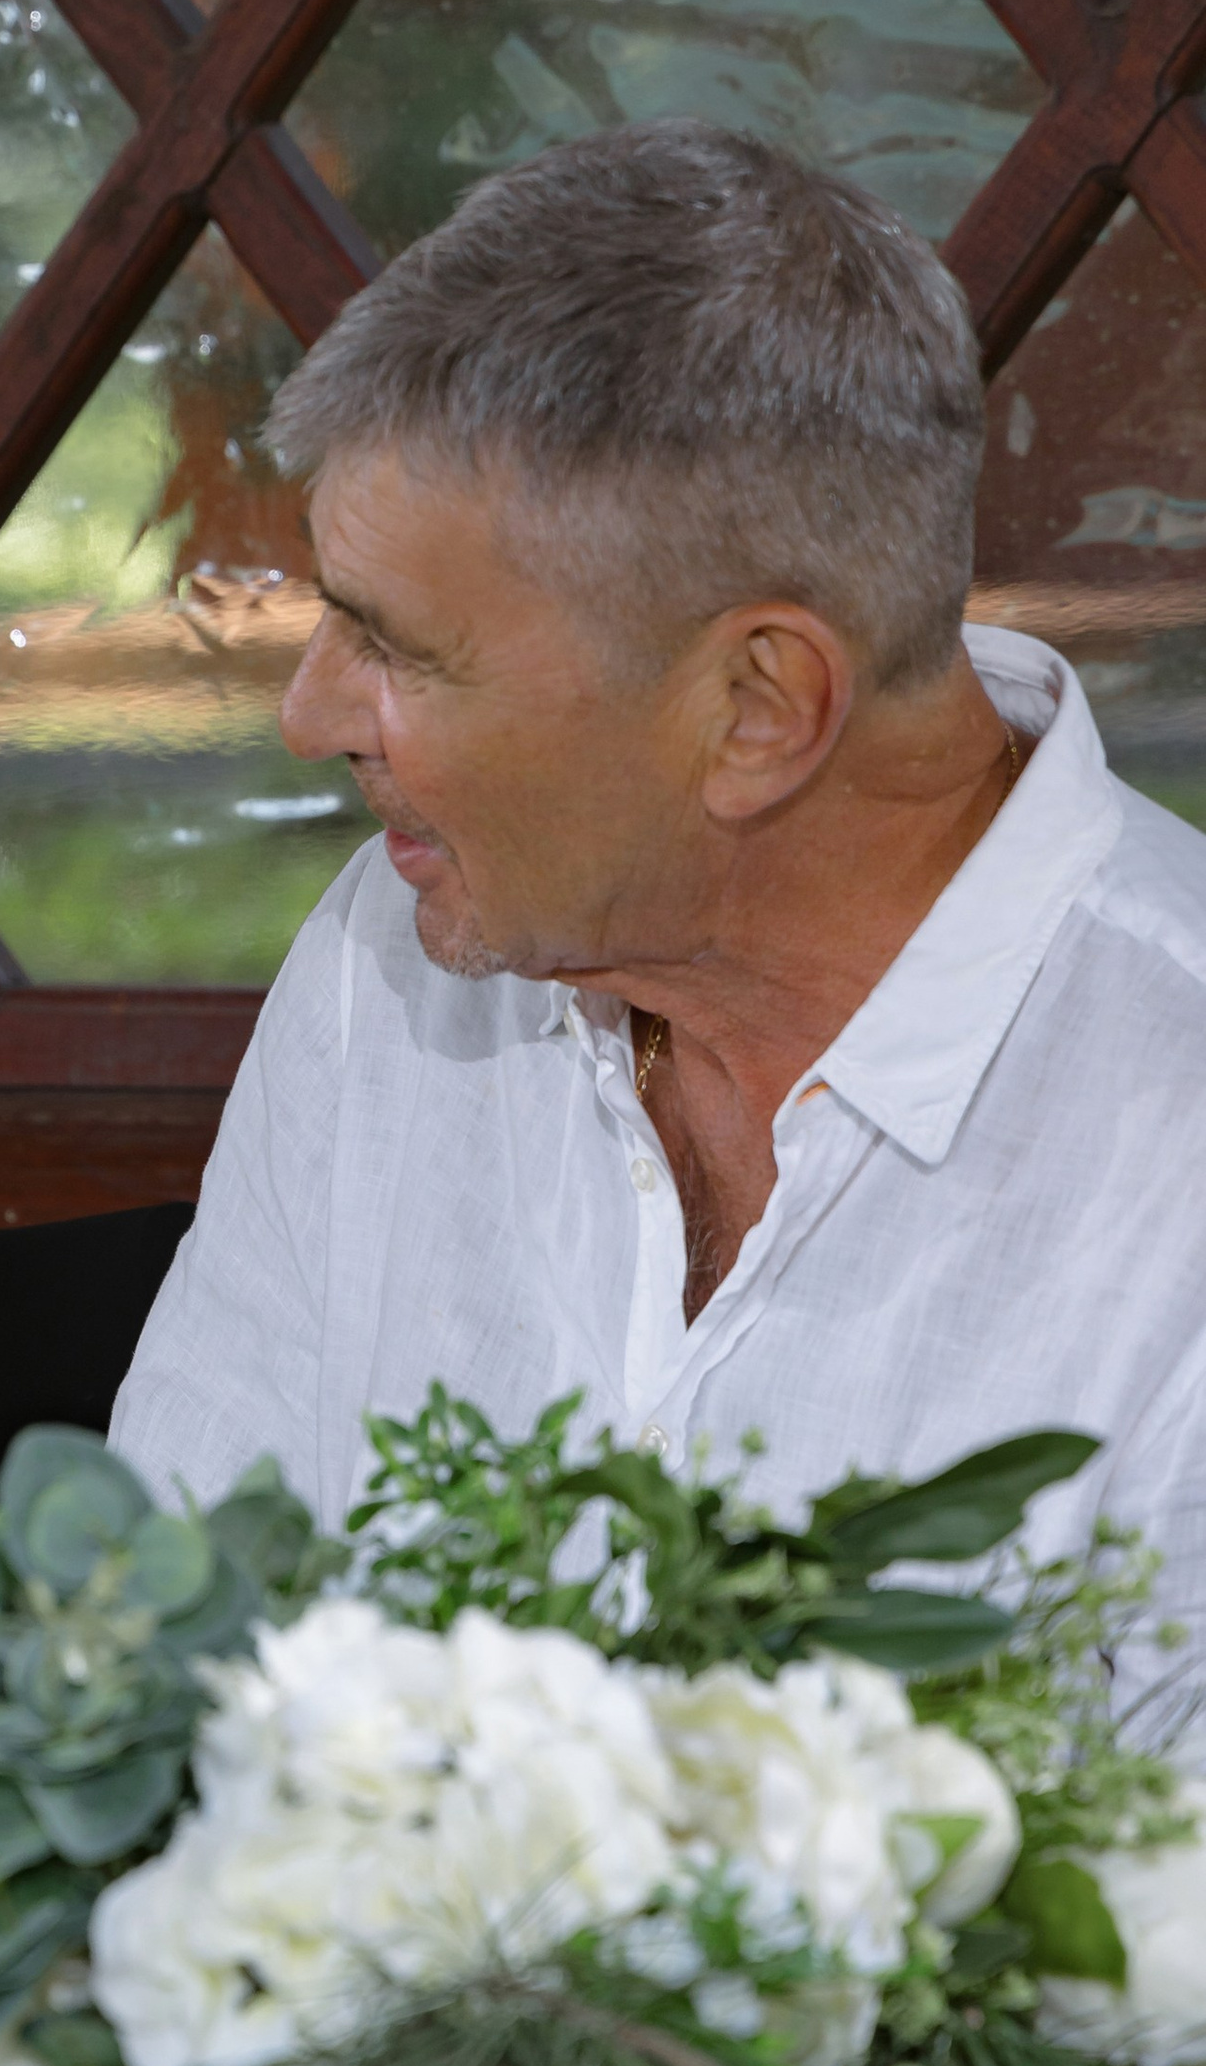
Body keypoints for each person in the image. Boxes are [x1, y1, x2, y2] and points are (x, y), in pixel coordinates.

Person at [112, 122, 1206, 1734]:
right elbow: (138, 1686)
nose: (308, 712)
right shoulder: (383, 966)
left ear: (760, 707)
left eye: (394, 646)